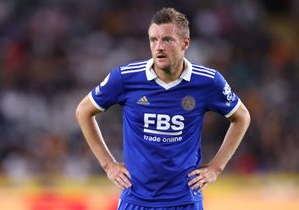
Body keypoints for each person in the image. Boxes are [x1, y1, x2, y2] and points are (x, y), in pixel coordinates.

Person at [76, 7, 250, 210]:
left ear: (185, 43)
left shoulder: (208, 82)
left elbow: (241, 117)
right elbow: (83, 111)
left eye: (167, 40)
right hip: (136, 200)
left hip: (185, 201)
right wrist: (108, 165)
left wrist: (216, 167)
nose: (159, 47)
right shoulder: (126, 78)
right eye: (153, 40)